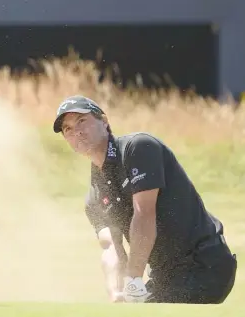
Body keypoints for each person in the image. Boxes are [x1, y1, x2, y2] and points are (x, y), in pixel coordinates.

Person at [53, 95, 237, 304]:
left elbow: (144, 213)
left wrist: (133, 279)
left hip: (204, 265)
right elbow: (111, 247)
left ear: (104, 121)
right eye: (67, 129)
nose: (76, 131)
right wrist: (117, 293)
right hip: (164, 278)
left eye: (81, 121)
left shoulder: (138, 148)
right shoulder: (94, 198)